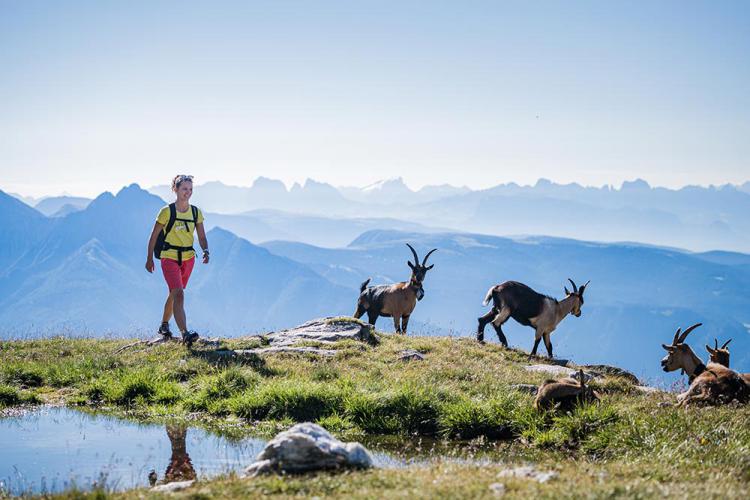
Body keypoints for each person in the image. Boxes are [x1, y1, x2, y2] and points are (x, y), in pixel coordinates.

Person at [145, 175, 209, 346]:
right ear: (175, 189)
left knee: (174, 293)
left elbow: (201, 236)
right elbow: (154, 235)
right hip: (169, 257)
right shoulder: (166, 212)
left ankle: (164, 326)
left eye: (190, 189)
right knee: (179, 293)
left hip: (188, 259)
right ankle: (185, 334)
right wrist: (149, 258)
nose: (187, 193)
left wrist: (206, 250)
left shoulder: (195, 212)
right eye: (184, 189)